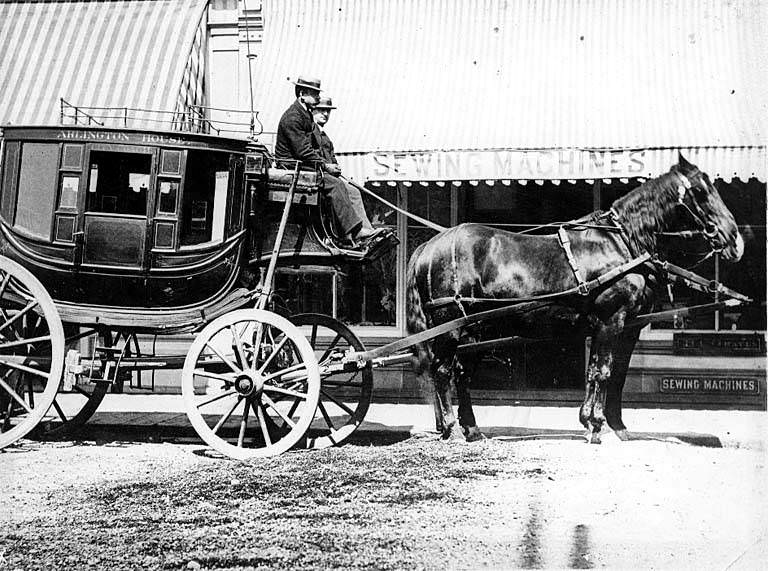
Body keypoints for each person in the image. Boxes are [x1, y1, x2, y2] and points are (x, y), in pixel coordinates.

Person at [275, 76, 385, 244]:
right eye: (315, 94)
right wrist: (326, 167)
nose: (318, 98)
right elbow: (303, 151)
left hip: (304, 168)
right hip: (292, 169)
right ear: (302, 94)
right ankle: (352, 233)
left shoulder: (303, 114)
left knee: (352, 190)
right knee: (335, 184)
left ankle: (361, 232)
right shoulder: (293, 117)